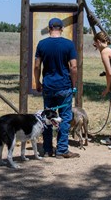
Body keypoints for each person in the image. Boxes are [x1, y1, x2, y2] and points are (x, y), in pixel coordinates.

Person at [34, 17, 80, 159]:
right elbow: (73, 66)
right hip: (64, 86)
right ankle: (61, 150)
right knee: (65, 118)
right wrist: (73, 85)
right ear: (61, 29)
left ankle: (47, 150)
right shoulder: (68, 45)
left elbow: (36, 66)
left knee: (47, 118)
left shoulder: (42, 44)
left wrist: (37, 82)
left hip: (48, 86)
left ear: (49, 29)